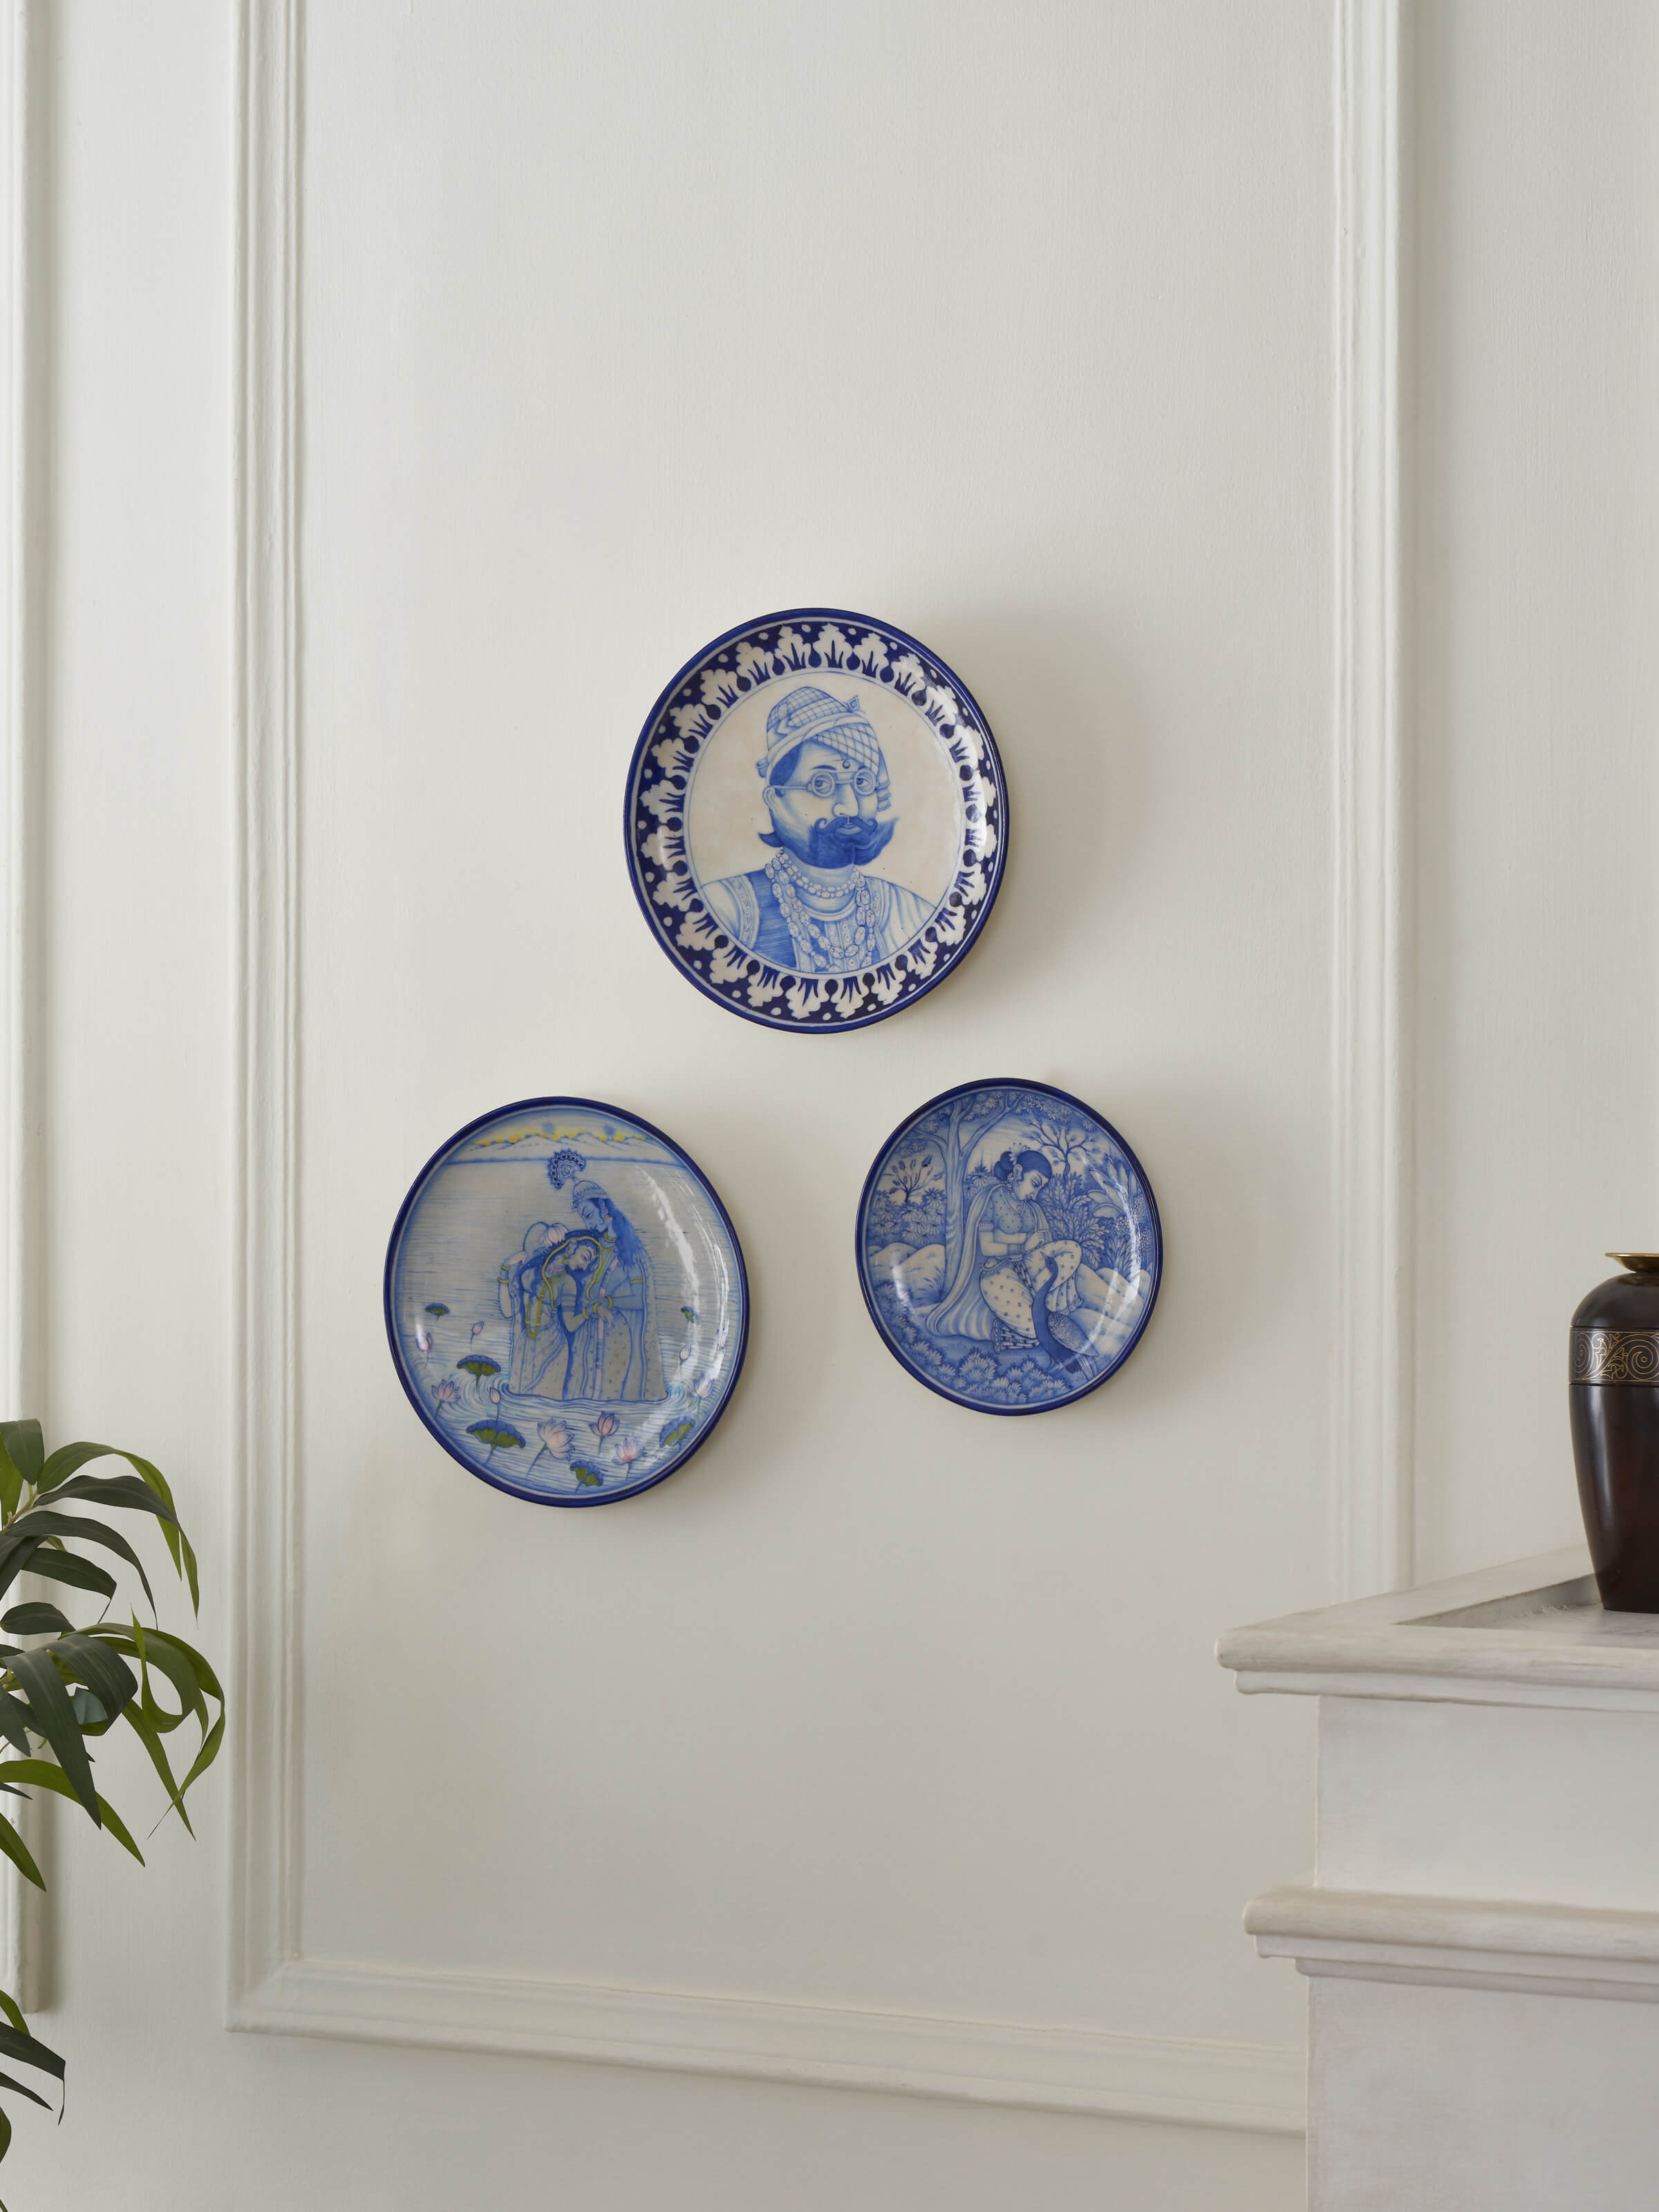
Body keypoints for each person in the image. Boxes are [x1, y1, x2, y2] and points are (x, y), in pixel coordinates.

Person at [700, 686, 936, 973]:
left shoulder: (910, 913)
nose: (849, 808)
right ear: (776, 800)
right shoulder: (727, 910)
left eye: (862, 782)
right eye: (822, 784)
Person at [565, 1182, 665, 1401]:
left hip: (618, 1338)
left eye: (589, 1215)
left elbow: (641, 1300)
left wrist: (610, 1302)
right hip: (589, 1340)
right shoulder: (594, 1249)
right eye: (584, 1218)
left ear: (603, 1207)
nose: (589, 1223)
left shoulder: (630, 1252)